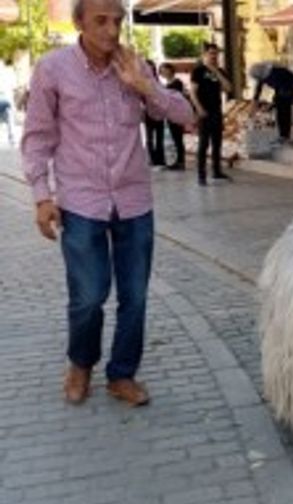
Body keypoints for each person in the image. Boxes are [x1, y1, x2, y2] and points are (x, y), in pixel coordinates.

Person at [20, 0, 194, 405]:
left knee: (135, 295)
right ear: (79, 22)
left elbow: (186, 115)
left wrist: (144, 86)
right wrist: (41, 197)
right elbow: (37, 137)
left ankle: (122, 374)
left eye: (117, 20)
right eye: (101, 21)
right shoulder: (53, 69)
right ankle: (81, 364)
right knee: (90, 294)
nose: (112, 30)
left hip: (134, 201)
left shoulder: (135, 66)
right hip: (81, 201)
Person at [190, 42, 233, 186]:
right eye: (211, 53)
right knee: (203, 143)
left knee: (217, 142)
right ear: (205, 55)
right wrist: (199, 108)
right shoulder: (198, 71)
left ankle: (217, 171)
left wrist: (216, 72)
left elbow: (228, 88)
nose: (214, 56)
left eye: (216, 54)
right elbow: (192, 92)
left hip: (216, 111)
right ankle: (201, 175)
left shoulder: (220, 71)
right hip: (204, 111)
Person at [249, 61, 293, 143]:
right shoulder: (263, 74)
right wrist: (254, 105)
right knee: (280, 110)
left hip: (291, 90)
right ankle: (283, 135)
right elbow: (258, 90)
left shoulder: (276, 72)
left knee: (286, 112)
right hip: (282, 91)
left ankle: (286, 135)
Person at [159, 62, 187, 170]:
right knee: (175, 138)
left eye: (164, 69)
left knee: (178, 137)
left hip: (177, 113)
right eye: (161, 70)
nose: (163, 72)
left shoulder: (177, 83)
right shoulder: (166, 84)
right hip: (170, 113)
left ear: (170, 70)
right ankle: (178, 160)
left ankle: (181, 161)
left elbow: (175, 97)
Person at [144, 60, 166, 167]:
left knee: (159, 138)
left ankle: (160, 160)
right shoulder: (142, 81)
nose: (150, 69)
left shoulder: (158, 81)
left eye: (151, 67)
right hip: (148, 113)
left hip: (159, 113)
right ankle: (152, 159)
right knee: (150, 138)